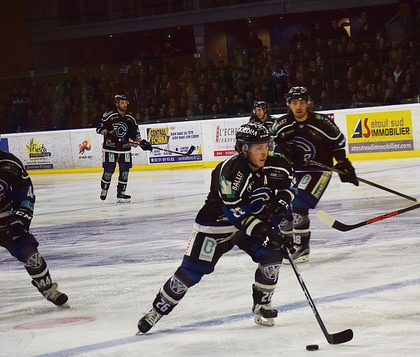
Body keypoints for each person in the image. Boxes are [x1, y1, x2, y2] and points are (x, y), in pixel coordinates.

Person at [137, 123, 296, 333]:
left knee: (273, 255)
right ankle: (157, 310)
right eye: (257, 147)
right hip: (215, 227)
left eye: (265, 145)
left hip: (250, 225)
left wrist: (280, 205)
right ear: (243, 148)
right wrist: (267, 231)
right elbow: (234, 212)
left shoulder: (278, 163)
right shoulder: (229, 171)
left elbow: (290, 186)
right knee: (189, 274)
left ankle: (262, 305)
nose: (264, 151)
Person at [271, 86, 358, 263]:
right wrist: (284, 151)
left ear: (308, 103)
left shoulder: (321, 122)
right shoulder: (281, 124)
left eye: (302, 102)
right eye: (294, 103)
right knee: (283, 204)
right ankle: (286, 245)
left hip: (319, 170)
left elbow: (338, 142)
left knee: (298, 204)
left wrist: (342, 164)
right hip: (293, 171)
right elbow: (271, 143)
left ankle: (301, 249)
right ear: (289, 104)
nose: (299, 106)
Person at [0, 149, 68, 306]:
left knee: (32, 258)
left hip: (6, 220)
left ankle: (48, 289)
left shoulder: (9, 164)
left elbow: (25, 194)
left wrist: (20, 219)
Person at [96, 94, 152, 203]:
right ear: (117, 104)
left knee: (125, 171)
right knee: (108, 171)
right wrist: (107, 132)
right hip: (110, 148)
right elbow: (99, 128)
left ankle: (121, 193)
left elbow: (135, 133)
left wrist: (141, 142)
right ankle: (104, 188)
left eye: (126, 102)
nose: (125, 104)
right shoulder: (109, 116)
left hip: (125, 149)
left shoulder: (130, 118)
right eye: (122, 102)